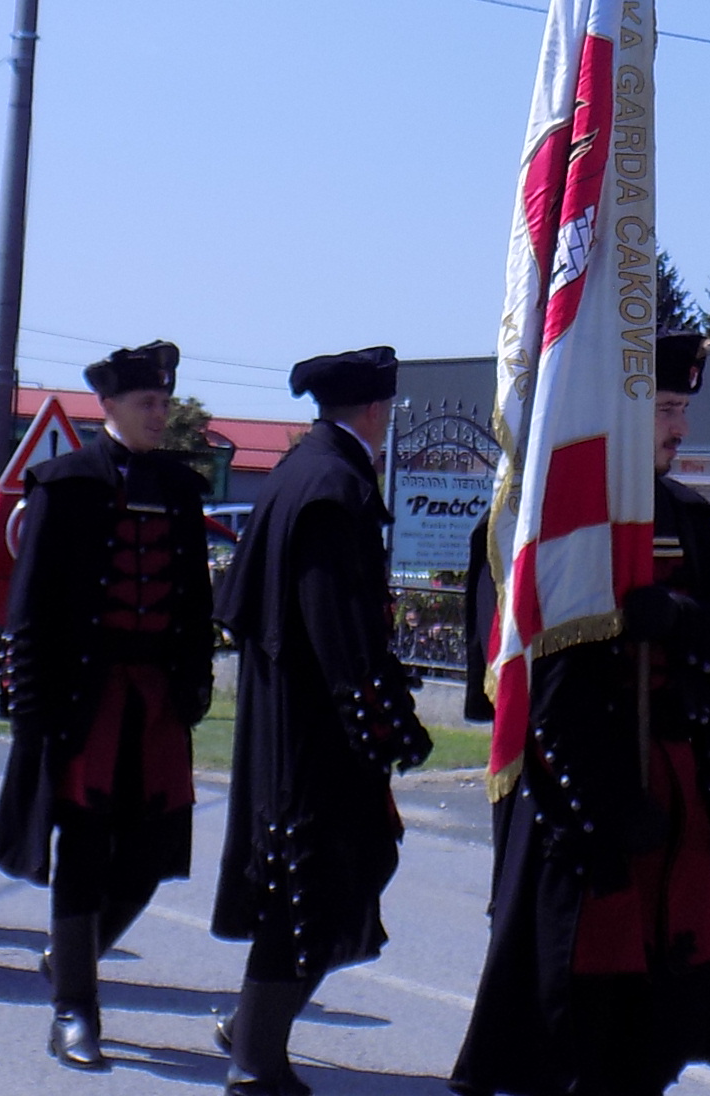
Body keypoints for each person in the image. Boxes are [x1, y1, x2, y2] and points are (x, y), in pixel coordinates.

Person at [452, 332, 710, 1096]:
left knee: (671, 1008)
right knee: (573, 1018)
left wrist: (680, 621)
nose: (678, 428)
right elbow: (537, 689)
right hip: (581, 807)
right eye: (663, 408)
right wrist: (606, 802)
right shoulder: (546, 521)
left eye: (682, 409)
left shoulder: (688, 518)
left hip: (677, 790)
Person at [0, 343, 217, 1070]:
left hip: (155, 701)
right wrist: (30, 706)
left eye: (163, 402)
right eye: (147, 403)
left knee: (148, 859)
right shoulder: (62, 483)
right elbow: (30, 609)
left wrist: (195, 683)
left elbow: (194, 599)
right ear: (108, 408)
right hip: (85, 699)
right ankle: (75, 1012)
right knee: (82, 854)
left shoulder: (181, 487)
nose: (159, 414)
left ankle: (70, 956)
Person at [212, 346, 432, 1096]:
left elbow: (241, 604)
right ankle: (253, 1059)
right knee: (308, 883)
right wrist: (388, 727)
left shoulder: (295, 473)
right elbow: (340, 625)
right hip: (315, 730)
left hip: (288, 712)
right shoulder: (335, 486)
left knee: (341, 871)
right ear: (376, 410)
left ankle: (251, 1032)